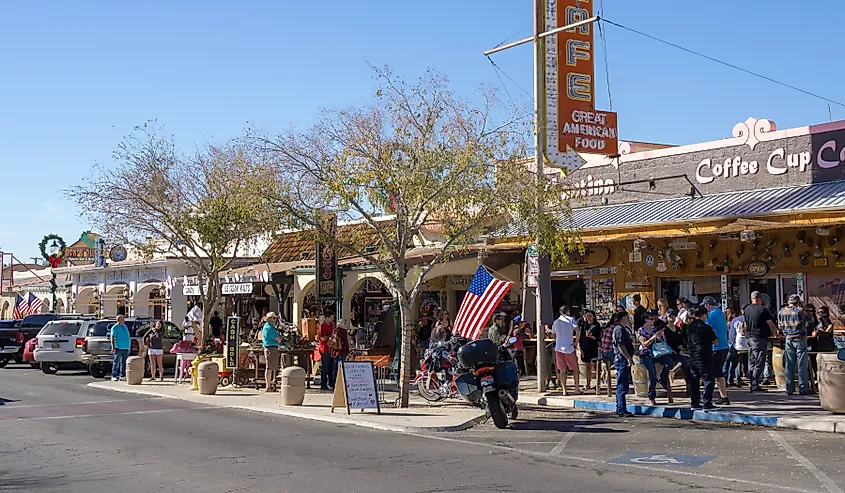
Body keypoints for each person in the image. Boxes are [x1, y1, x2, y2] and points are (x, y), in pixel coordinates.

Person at [637, 310, 674, 406]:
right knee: (652, 374)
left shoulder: (654, 329)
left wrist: (659, 337)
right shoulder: (641, 330)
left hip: (656, 352)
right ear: (646, 320)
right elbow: (644, 343)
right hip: (646, 354)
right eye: (651, 319)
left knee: (669, 361)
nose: (653, 320)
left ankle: (662, 378)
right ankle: (651, 396)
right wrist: (653, 337)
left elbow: (659, 341)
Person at [744, 291, 779, 392]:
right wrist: (776, 334)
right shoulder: (763, 309)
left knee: (752, 360)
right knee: (759, 361)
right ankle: (755, 384)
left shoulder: (746, 309)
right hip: (759, 337)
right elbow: (770, 323)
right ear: (760, 299)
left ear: (752, 298)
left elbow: (745, 324)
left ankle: (752, 382)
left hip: (749, 337)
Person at [686, 306, 719, 410]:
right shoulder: (706, 327)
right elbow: (716, 342)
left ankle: (695, 403)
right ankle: (707, 403)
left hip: (692, 356)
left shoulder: (688, 327)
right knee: (708, 379)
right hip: (704, 356)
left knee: (694, 380)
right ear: (704, 315)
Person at [778, 295, 811, 395]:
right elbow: (810, 319)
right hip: (800, 338)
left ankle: (789, 388)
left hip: (788, 338)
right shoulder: (800, 310)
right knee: (801, 364)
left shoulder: (781, 311)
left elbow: (779, 325)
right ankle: (803, 388)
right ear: (798, 302)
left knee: (789, 363)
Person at [703, 296, 731, 405]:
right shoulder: (720, 313)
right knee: (718, 371)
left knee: (713, 372)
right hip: (723, 345)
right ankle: (722, 396)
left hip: (716, 347)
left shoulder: (713, 314)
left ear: (707, 305)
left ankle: (720, 396)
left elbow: (705, 327)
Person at [611, 311, 636, 417]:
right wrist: (628, 358)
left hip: (622, 359)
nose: (628, 320)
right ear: (622, 318)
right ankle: (621, 408)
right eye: (627, 317)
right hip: (621, 359)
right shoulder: (619, 329)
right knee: (622, 384)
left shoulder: (620, 329)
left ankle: (621, 407)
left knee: (622, 384)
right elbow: (621, 346)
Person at [552, 305, 580, 396]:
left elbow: (553, 335)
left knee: (562, 370)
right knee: (575, 368)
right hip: (569, 347)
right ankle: (576, 388)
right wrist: (576, 342)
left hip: (559, 347)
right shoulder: (571, 320)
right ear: (568, 311)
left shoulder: (556, 322)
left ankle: (564, 390)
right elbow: (578, 330)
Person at [578, 310, 602, 390]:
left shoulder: (596, 325)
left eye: (590, 315)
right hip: (585, 347)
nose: (588, 317)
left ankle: (597, 384)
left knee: (595, 366)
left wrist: (591, 336)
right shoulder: (583, 325)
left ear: (593, 317)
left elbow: (598, 338)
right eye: (587, 315)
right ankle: (588, 384)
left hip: (593, 347)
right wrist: (580, 348)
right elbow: (580, 337)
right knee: (587, 366)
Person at [262, 312, 282, 392]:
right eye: (273, 318)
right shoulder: (269, 328)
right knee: (270, 368)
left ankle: (272, 384)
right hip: (271, 348)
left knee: (273, 367)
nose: (275, 320)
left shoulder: (269, 327)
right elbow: (279, 339)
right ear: (269, 319)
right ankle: (268, 386)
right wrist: (281, 336)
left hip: (271, 348)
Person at [726, 306, 745, 387]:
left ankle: (729, 379)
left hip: (735, 344)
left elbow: (731, 335)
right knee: (735, 362)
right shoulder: (746, 318)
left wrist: (731, 342)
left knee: (730, 361)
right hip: (747, 344)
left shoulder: (735, 320)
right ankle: (736, 378)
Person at [330, 319, 351, 389]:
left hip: (335, 351)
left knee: (334, 368)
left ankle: (333, 383)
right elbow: (345, 342)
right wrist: (348, 350)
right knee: (340, 368)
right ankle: (339, 383)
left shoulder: (334, 330)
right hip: (342, 351)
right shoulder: (343, 331)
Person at [318, 313, 336, 390]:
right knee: (325, 367)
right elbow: (322, 338)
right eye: (331, 318)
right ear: (327, 318)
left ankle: (331, 383)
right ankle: (323, 383)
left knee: (332, 367)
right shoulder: (322, 326)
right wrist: (330, 336)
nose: (333, 319)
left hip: (332, 348)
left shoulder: (332, 325)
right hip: (324, 348)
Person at [110, 315, 131, 382]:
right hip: (118, 347)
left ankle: (122, 375)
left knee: (124, 362)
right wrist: (113, 347)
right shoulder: (115, 327)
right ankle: (114, 375)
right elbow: (112, 338)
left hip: (125, 347)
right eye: (122, 319)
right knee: (116, 362)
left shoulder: (125, 326)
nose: (124, 320)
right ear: (118, 320)